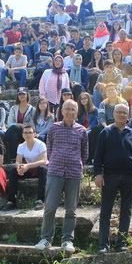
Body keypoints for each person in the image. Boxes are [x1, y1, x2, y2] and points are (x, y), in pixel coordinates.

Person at [34, 99, 88, 253]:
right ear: (62, 111)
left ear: (76, 112)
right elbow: (50, 150)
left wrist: (76, 164)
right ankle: (45, 239)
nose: (70, 112)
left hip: (73, 173)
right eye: (67, 109)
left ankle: (67, 240)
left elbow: (84, 154)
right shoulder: (54, 129)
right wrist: (57, 161)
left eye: (73, 109)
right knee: (50, 207)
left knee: (71, 209)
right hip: (55, 172)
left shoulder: (82, 131)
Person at [93, 103, 132, 252]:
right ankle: (103, 244)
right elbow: (98, 156)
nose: (122, 115)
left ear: (128, 115)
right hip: (110, 176)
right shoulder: (105, 132)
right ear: (114, 114)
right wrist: (98, 174)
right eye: (119, 112)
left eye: (124, 112)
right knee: (106, 211)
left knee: (126, 211)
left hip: (129, 177)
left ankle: (121, 243)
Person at [2, 124, 48, 211]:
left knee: (43, 170)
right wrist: (19, 168)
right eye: (25, 133)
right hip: (28, 168)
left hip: (39, 168)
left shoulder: (41, 144)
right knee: (13, 172)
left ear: (34, 134)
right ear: (22, 135)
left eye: (30, 132)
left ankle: (40, 200)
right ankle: (11, 201)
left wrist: (27, 166)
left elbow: (44, 161)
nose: (28, 135)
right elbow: (18, 161)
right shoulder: (21, 146)